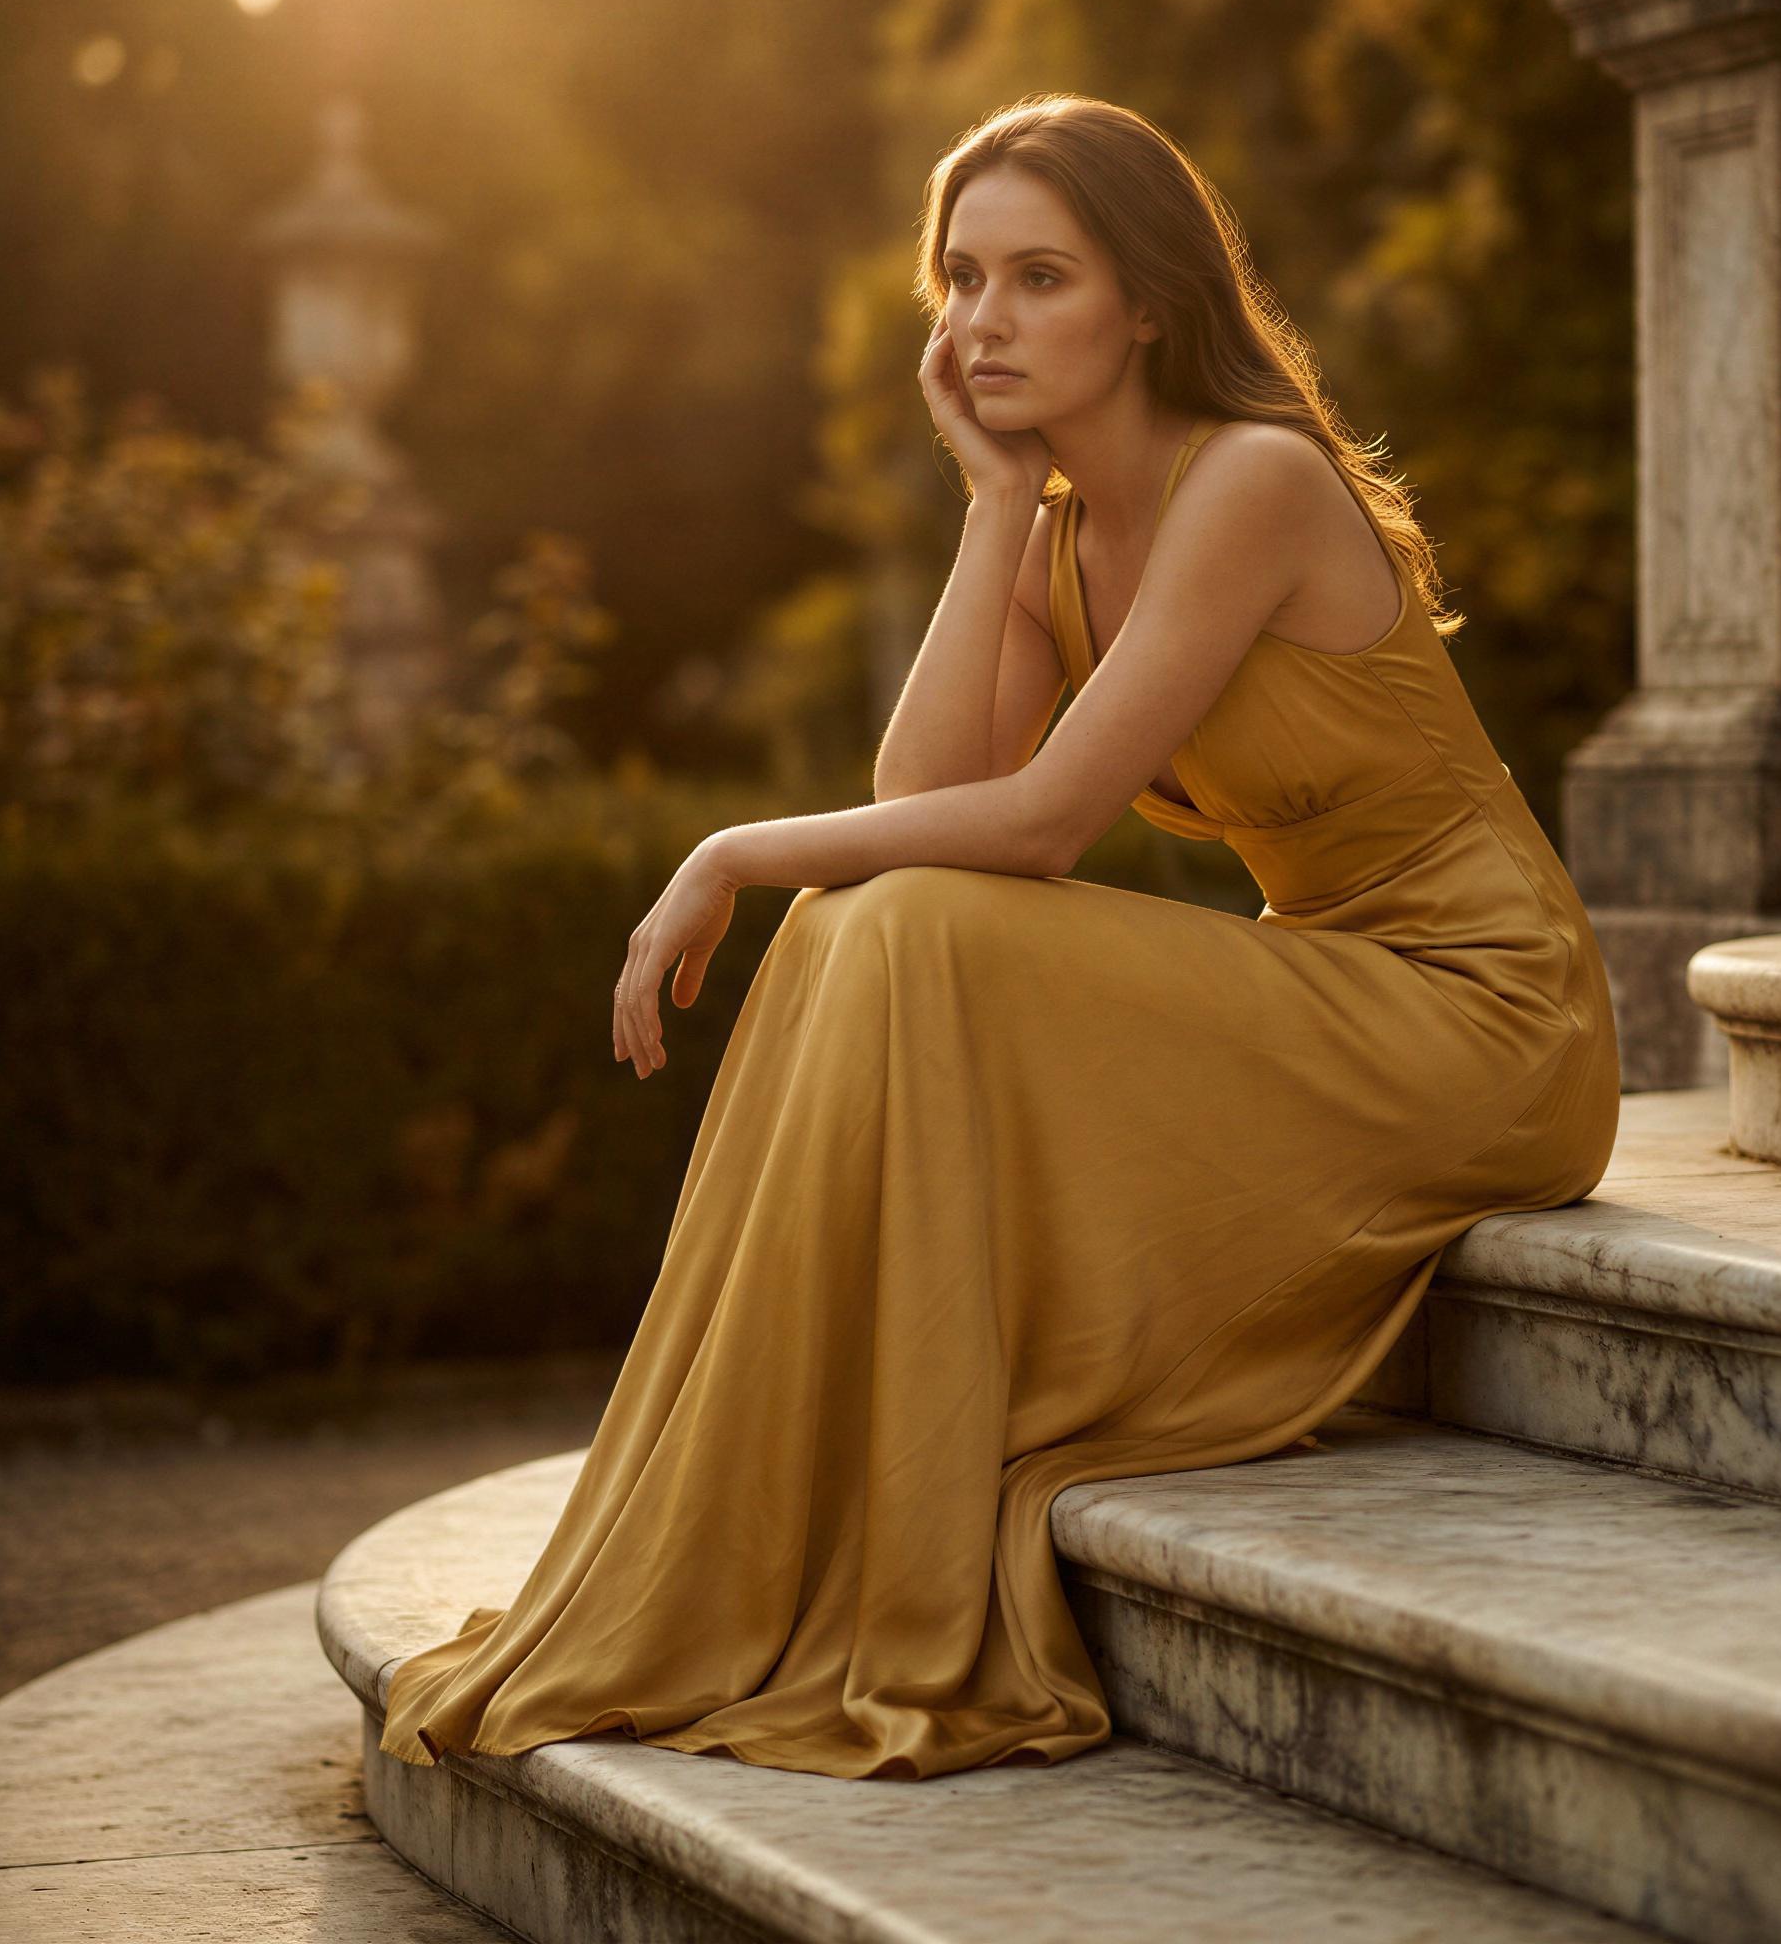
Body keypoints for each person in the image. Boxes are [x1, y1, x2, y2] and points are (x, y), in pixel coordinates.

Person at [375, 93, 1620, 1782]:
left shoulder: (1248, 480)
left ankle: (858, 1491)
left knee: (898, 931)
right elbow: (930, 795)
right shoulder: (1055, 527)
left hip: (1487, 1019)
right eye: (961, 281)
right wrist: (990, 506)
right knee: (862, 927)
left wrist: (727, 846)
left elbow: (1032, 832)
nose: (983, 320)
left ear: (1152, 304)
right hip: (1338, 981)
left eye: (1040, 277)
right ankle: (785, 1494)